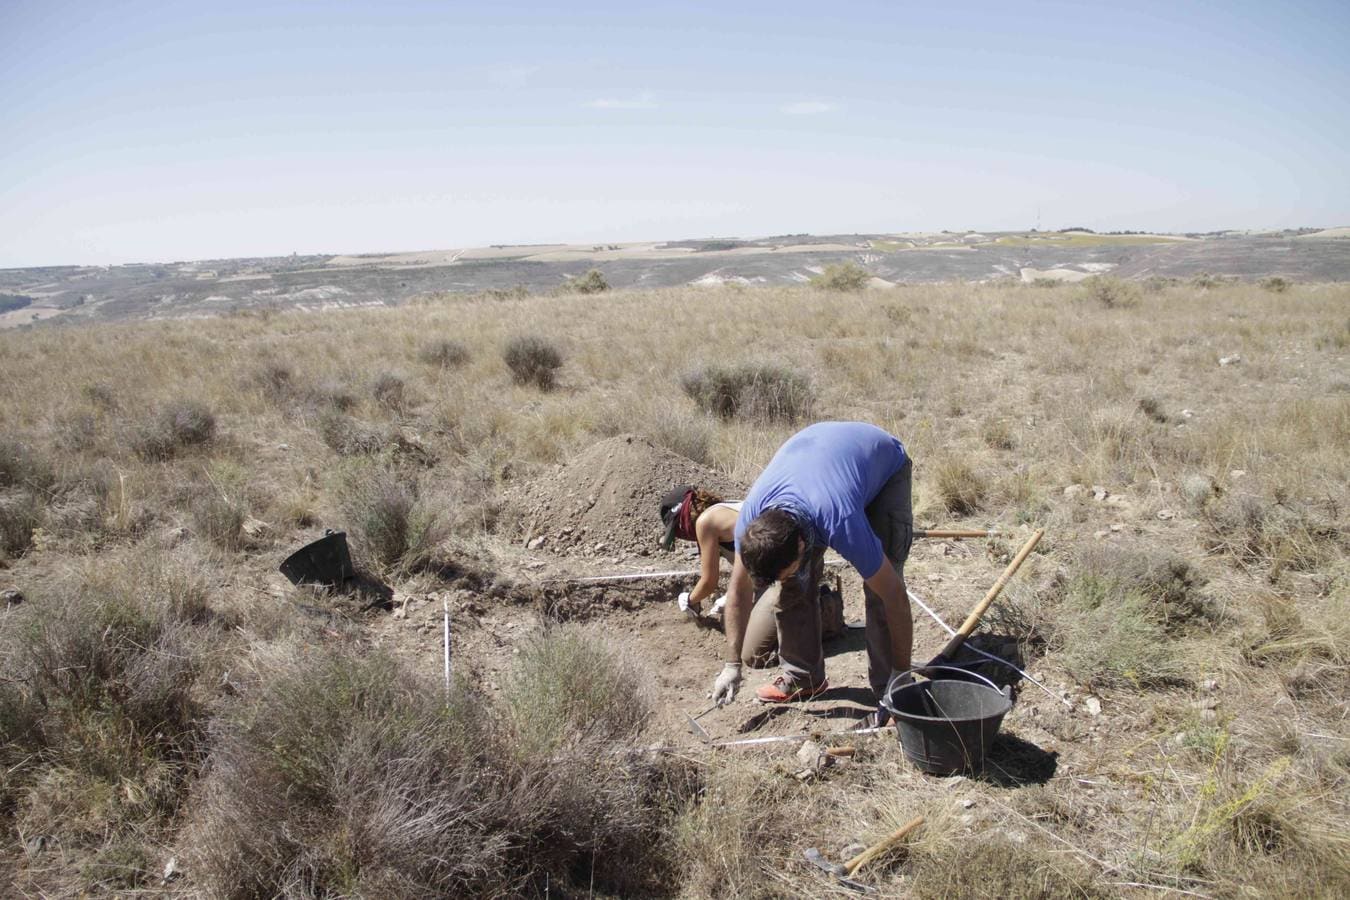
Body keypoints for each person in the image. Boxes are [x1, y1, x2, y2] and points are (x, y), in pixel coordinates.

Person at [709, 421, 914, 707]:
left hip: (883, 465)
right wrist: (732, 664)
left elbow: (894, 595)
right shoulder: (752, 526)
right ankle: (803, 677)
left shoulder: (840, 521)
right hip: (818, 461)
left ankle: (890, 689)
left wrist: (902, 671)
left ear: (803, 545)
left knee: (879, 589)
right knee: (792, 584)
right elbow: (738, 594)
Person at [659, 486, 779, 666]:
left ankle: (818, 613)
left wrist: (690, 600)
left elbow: (709, 582)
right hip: (787, 568)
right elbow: (754, 564)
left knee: (753, 652)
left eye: (679, 529)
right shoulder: (725, 510)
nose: (682, 536)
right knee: (737, 615)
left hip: (788, 575)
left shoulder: (705, 522)